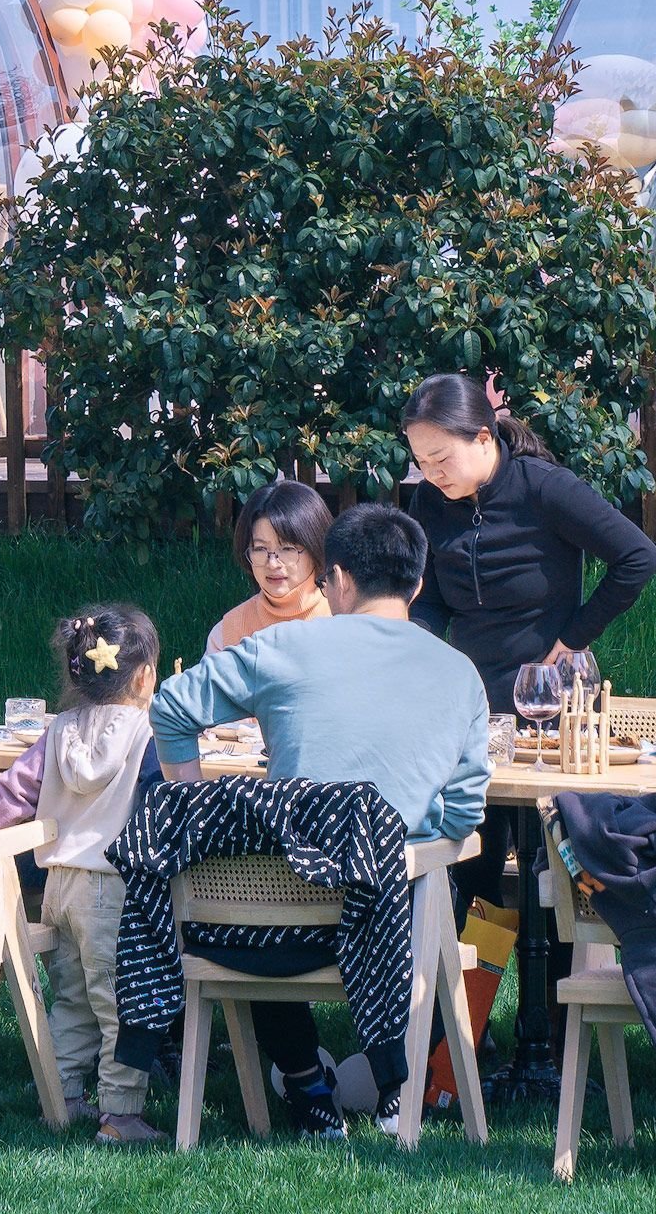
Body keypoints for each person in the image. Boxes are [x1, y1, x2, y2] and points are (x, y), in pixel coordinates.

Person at [151, 498, 488, 1136]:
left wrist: (189, 797)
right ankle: (394, 1085)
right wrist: (420, 812)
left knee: (248, 888)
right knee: (438, 877)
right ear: (417, 584)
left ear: (337, 580)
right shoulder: (460, 673)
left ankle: (305, 1083)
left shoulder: (281, 645)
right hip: (389, 917)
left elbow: (170, 707)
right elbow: (464, 815)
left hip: (270, 918)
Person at [398, 372, 656, 1066]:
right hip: (474, 702)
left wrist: (572, 638)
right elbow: (428, 600)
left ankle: (562, 1041)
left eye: (442, 459)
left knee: (557, 870)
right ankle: (464, 1042)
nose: (431, 474)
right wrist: (421, 639)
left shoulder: (543, 487)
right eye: (421, 462)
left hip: (555, 702)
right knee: (475, 871)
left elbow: (637, 557)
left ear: (483, 438)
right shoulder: (431, 505)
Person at [0, 605, 166, 1145]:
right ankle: (121, 1110)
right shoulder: (148, 734)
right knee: (118, 1003)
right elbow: (159, 805)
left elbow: (14, 792)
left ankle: (60, 1096)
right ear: (147, 675)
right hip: (112, 889)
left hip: (57, 884)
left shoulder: (56, 731)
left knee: (73, 997)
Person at [208, 475, 335, 653]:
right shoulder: (227, 634)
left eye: (287, 549)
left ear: (315, 547)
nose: (273, 563)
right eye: (260, 549)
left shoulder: (345, 618)